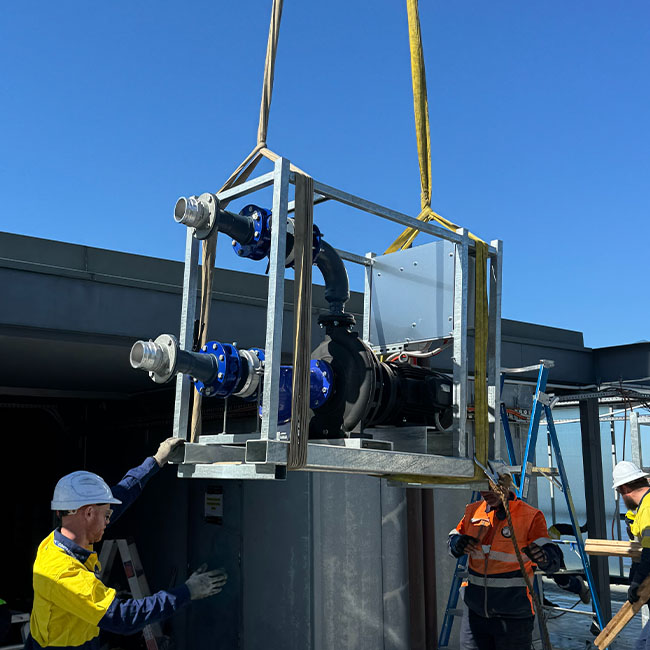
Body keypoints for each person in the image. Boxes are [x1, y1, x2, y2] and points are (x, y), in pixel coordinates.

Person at [25, 437, 227, 650]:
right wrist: (188, 591)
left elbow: (122, 493)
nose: (109, 519)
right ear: (89, 513)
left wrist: (157, 460)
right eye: (106, 514)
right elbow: (123, 617)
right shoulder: (63, 573)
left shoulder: (62, 538)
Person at [448, 465, 562, 650]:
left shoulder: (529, 516)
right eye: (483, 487)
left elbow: (551, 557)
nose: (487, 493)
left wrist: (545, 556)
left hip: (513, 617)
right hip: (475, 613)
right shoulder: (473, 512)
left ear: (507, 485)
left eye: (492, 487)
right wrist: (456, 543)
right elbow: (453, 538)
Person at [612, 460, 650, 649]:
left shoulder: (648, 508)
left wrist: (637, 581)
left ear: (625, 488)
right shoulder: (644, 506)